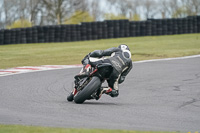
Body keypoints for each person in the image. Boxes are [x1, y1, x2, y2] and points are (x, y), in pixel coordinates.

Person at [67, 44, 132, 101]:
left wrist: (91, 54)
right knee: (115, 92)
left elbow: (101, 53)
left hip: (107, 62)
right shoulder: (130, 63)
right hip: (116, 73)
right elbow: (121, 79)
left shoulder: (117, 50)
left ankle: (86, 71)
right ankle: (103, 90)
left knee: (87, 58)